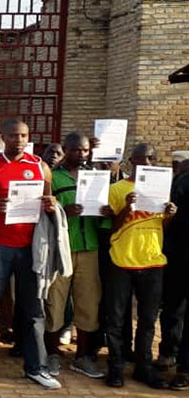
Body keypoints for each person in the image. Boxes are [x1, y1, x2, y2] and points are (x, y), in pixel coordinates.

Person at [0, 119, 61, 390]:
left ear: (28, 138)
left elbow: (48, 203)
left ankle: (37, 368)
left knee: (33, 310)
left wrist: (51, 204)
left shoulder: (40, 167)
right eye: (13, 135)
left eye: (23, 136)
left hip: (30, 248)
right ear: (4, 137)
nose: (18, 140)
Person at [103, 143, 176, 389]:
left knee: (147, 319)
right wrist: (127, 206)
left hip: (153, 260)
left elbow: (161, 228)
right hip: (121, 260)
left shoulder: (161, 190)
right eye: (140, 159)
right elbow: (111, 227)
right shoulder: (116, 189)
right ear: (131, 162)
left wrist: (170, 215)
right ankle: (115, 367)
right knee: (116, 318)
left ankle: (143, 367)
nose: (146, 163)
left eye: (150, 158)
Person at [44, 133, 107, 379]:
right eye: (75, 150)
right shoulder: (54, 177)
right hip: (62, 247)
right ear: (65, 150)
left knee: (88, 302)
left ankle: (82, 357)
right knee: (55, 300)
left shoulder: (96, 178)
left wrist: (106, 212)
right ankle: (51, 353)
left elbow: (106, 217)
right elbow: (45, 208)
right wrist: (62, 209)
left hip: (89, 247)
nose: (80, 155)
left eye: (84, 151)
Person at [163, 149, 189, 390]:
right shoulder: (182, 178)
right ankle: (168, 353)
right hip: (177, 255)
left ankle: (184, 368)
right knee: (173, 308)